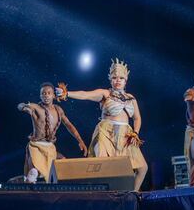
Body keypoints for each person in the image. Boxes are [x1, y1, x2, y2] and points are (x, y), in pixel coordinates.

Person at [56, 58, 147, 191]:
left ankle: (132, 194)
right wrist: (67, 93)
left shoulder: (131, 98)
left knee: (142, 168)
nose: (118, 80)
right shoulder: (105, 93)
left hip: (126, 135)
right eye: (115, 77)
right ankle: (101, 195)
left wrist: (135, 133)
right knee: (103, 165)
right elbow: (85, 95)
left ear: (125, 80)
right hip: (106, 131)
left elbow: (137, 118)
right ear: (111, 79)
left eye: (121, 78)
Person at [18, 82, 87, 183]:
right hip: (36, 146)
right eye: (43, 93)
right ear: (40, 95)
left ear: (54, 95)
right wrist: (24, 107)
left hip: (50, 147)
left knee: (62, 162)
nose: (46, 95)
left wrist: (80, 140)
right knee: (33, 172)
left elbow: (69, 125)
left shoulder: (58, 110)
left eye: (49, 93)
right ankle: (29, 186)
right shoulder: (35, 107)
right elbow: (20, 105)